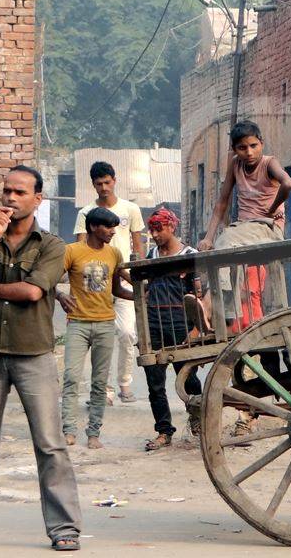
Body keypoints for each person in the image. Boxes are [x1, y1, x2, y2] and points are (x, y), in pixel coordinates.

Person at [0, 166, 83, 551]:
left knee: (50, 443)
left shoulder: (53, 245)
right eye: (6, 191)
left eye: (20, 192)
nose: (10, 198)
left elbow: (34, 293)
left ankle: (64, 528)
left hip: (33, 355)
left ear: (38, 199)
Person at [196, 120, 291, 328]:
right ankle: (227, 314)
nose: (248, 152)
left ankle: (207, 305)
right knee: (225, 249)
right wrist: (207, 237)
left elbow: (288, 183)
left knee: (226, 240)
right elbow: (222, 202)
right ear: (234, 150)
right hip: (244, 231)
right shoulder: (235, 165)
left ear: (261, 143)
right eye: (242, 148)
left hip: (268, 229)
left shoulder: (269, 163)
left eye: (253, 146)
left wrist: (273, 207)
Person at [57, 207, 133, 449]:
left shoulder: (114, 254)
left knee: (100, 382)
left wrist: (140, 295)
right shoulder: (71, 251)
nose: (112, 232)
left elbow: (117, 288)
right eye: (107, 227)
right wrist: (60, 296)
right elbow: (48, 280)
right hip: (78, 323)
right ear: (92, 227)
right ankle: (68, 430)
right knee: (71, 378)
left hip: (104, 323)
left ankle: (93, 434)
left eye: (114, 227)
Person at [74, 161, 144, 404]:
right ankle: (103, 390)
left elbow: (138, 246)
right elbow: (81, 247)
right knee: (99, 336)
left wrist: (139, 276)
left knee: (126, 333)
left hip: (124, 276)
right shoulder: (85, 213)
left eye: (107, 182)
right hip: (95, 278)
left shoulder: (131, 209)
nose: (103, 187)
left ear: (115, 181)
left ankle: (125, 382)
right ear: (93, 185)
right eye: (98, 183)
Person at [142, 208, 203, 451]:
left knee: (188, 377)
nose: (155, 234)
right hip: (154, 324)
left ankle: (198, 421)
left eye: (159, 229)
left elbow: (200, 296)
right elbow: (145, 291)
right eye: (152, 229)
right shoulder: (151, 254)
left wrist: (197, 329)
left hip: (181, 324)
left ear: (172, 227)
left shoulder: (190, 255)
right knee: (154, 382)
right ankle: (164, 431)